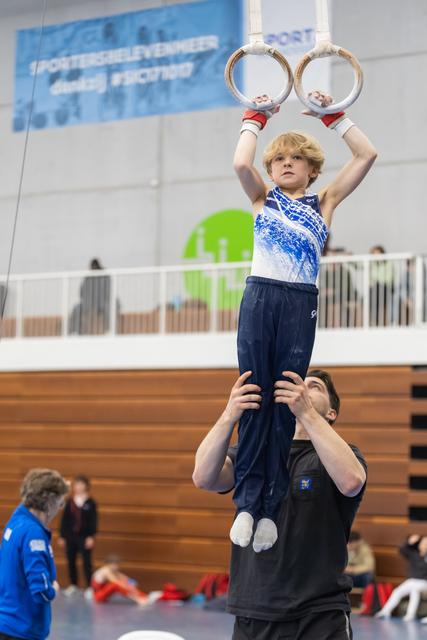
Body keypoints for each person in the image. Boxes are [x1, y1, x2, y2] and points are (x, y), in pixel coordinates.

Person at [230, 91, 377, 552]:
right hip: (260, 296)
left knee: (284, 398)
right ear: (271, 170)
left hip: (299, 302)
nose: (287, 164)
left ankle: (271, 507)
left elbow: (367, 154)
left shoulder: (324, 202)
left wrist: (336, 116)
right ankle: (247, 504)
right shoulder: (262, 199)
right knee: (253, 394)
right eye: (279, 159)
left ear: (313, 170)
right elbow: (240, 165)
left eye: (297, 158)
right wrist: (255, 119)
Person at [193, 369, 367, 639]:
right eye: (299, 384)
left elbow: (351, 480)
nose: (302, 388)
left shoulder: (346, 455)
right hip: (254, 611)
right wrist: (230, 414)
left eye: (315, 387)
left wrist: (306, 413)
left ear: (331, 412)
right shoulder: (254, 453)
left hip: (318, 614)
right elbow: (203, 477)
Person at [0, 468, 69, 640]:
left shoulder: (16, 520)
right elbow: (41, 590)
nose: (59, 509)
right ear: (49, 501)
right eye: (60, 503)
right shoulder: (33, 533)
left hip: (7, 620)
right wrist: (53, 589)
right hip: (21, 628)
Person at [58, 474, 97, 599]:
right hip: (70, 536)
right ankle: (73, 584)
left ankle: (90, 587)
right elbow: (64, 520)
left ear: (86, 486)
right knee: (71, 560)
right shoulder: (70, 502)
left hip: (84, 537)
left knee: (86, 562)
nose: (78, 487)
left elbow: (93, 520)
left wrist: (91, 536)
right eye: (76, 484)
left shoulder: (91, 502)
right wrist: (62, 536)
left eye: (81, 484)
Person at [376, 534, 427, 621]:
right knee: (397, 591)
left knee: (415, 590)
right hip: (411, 581)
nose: (424, 545)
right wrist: (409, 543)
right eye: (423, 543)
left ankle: (410, 615)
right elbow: (402, 550)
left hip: (423, 582)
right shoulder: (414, 553)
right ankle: (385, 611)